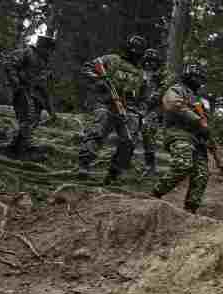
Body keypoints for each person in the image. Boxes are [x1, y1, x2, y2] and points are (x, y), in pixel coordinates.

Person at [78, 33, 146, 183]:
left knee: (129, 140)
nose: (135, 54)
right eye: (133, 51)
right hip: (105, 103)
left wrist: (140, 111)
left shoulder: (141, 73)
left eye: (138, 52)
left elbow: (143, 96)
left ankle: (114, 173)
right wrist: (100, 80)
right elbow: (87, 68)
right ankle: (84, 164)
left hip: (127, 108)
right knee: (98, 130)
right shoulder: (111, 59)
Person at [151, 63, 213, 214]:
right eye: (195, 77)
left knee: (202, 174)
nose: (198, 80)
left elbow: (206, 122)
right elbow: (173, 105)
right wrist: (197, 120)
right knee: (183, 165)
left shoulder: (202, 99)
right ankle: (155, 194)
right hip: (179, 133)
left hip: (198, 140)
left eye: (200, 78)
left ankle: (190, 211)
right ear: (188, 76)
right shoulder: (176, 90)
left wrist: (208, 136)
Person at [2, 34, 56, 156]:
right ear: (41, 46)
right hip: (23, 90)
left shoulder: (45, 63)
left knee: (33, 122)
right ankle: (24, 147)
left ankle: (16, 147)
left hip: (37, 96)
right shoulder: (27, 52)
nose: (49, 52)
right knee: (27, 118)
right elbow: (10, 64)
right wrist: (16, 82)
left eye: (51, 50)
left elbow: (45, 87)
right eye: (48, 49)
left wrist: (50, 109)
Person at [137, 48, 167, 178]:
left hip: (156, 108)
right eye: (147, 61)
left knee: (147, 129)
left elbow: (164, 89)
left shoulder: (162, 75)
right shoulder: (138, 74)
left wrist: (153, 98)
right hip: (137, 106)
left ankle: (150, 165)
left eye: (152, 61)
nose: (149, 64)